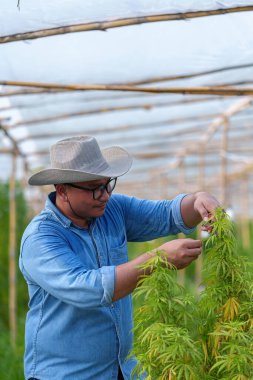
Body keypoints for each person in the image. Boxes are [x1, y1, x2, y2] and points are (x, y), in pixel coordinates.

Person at [20, 135, 220, 380]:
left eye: (108, 184)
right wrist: (157, 258)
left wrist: (198, 200)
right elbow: (89, 289)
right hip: (66, 374)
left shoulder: (112, 210)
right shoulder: (41, 238)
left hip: (122, 370)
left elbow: (166, 215)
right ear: (62, 190)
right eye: (94, 188)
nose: (104, 195)